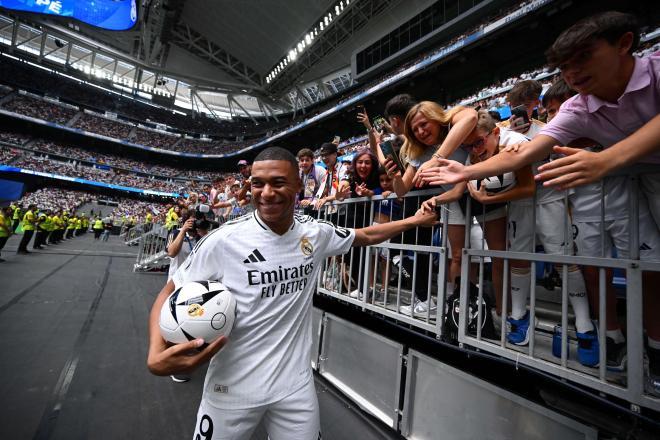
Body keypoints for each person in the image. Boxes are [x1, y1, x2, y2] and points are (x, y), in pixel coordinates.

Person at [419, 11, 660, 390]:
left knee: (637, 268)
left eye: (583, 58)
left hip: (621, 189)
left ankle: (632, 338)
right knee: (611, 265)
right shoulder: (578, 107)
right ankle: (618, 339)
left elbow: (526, 172)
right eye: (565, 67)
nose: (574, 73)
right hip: (616, 193)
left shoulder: (657, 70)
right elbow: (521, 158)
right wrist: (464, 173)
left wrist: (609, 159)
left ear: (624, 44)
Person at [146, 147, 437, 440]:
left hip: (294, 389)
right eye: (258, 183)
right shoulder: (224, 240)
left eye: (278, 182)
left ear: (299, 185)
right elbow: (171, 290)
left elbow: (364, 235)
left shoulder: (315, 233)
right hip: (231, 389)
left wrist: (414, 221)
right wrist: (156, 352)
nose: (267, 193)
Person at [380, 101, 477, 317]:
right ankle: (458, 304)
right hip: (455, 201)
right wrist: (394, 176)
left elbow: (471, 117)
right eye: (415, 130)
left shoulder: (454, 126)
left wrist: (437, 159)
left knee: (491, 257)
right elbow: (402, 190)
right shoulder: (417, 152)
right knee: (458, 257)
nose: (421, 132)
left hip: (484, 194)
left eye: (424, 124)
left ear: (436, 118)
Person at [296, 148, 325, 215]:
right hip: (306, 207)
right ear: (299, 162)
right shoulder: (298, 173)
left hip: (321, 208)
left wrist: (313, 200)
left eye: (307, 160)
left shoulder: (320, 170)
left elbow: (325, 189)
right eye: (302, 160)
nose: (304, 163)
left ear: (312, 161)